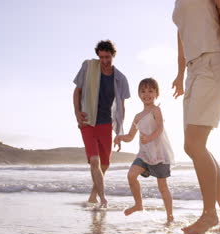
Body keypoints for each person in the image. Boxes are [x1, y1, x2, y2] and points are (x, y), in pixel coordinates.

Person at [171, 0, 220, 234]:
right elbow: (182, 35)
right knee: (193, 146)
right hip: (194, 70)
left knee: (194, 144)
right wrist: (181, 72)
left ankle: (209, 214)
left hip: (213, 61)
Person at [73, 40, 130, 207]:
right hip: (88, 121)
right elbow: (77, 91)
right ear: (98, 56)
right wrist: (77, 112)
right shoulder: (89, 67)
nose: (104, 61)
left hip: (106, 123)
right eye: (102, 57)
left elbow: (121, 107)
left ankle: (92, 196)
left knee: (105, 164)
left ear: (113, 56)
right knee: (94, 161)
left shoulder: (120, 78)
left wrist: (119, 132)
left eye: (108, 57)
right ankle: (103, 199)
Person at [114, 78, 175, 222]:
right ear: (139, 94)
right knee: (131, 175)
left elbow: (160, 127)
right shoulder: (137, 117)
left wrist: (150, 138)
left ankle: (170, 216)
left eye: (150, 91)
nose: (146, 94)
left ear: (156, 93)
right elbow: (130, 136)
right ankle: (138, 204)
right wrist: (120, 137)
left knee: (162, 187)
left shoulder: (156, 110)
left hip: (159, 153)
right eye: (143, 91)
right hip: (144, 154)